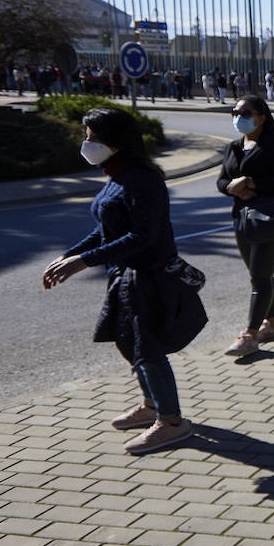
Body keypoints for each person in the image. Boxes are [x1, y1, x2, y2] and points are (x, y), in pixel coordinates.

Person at [42, 107, 206, 455]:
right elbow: (106, 230)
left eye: (92, 138)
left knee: (148, 349)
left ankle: (172, 423)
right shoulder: (117, 174)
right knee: (128, 344)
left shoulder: (143, 180)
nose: (86, 144)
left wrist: (84, 261)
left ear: (116, 141)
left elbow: (141, 236)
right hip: (124, 275)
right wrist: (69, 254)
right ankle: (151, 406)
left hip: (149, 276)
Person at [217, 95, 274, 358]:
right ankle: (272, 324)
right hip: (242, 218)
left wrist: (249, 183)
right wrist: (231, 187)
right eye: (235, 113)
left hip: (270, 219)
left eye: (245, 113)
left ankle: (250, 335)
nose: (238, 118)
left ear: (261, 118)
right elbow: (221, 180)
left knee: (260, 276)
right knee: (259, 272)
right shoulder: (234, 147)